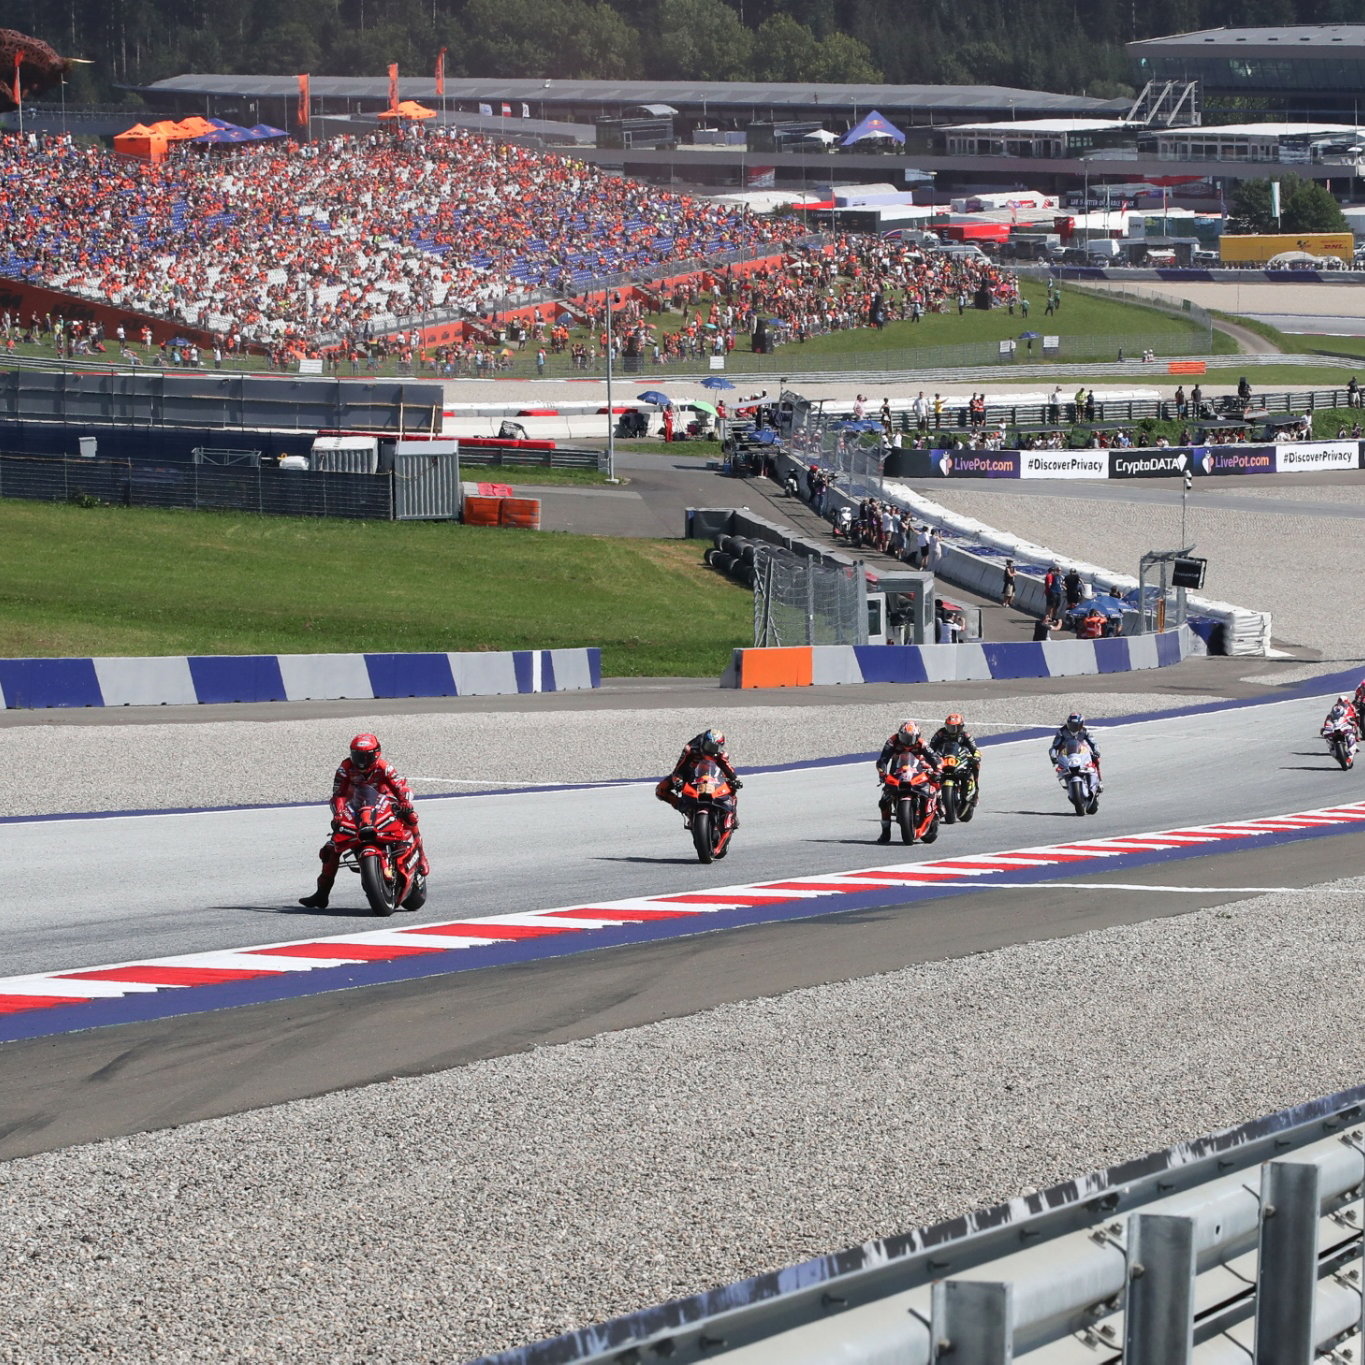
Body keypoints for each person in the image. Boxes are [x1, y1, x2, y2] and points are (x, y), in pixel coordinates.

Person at [299, 733, 424, 909]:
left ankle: (422, 857)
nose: (362, 761)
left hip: (386, 804)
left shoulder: (384, 767)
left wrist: (404, 803)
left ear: (376, 753)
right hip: (357, 808)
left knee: (410, 817)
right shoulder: (345, 768)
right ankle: (322, 894)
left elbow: (398, 788)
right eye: (358, 756)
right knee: (330, 848)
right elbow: (339, 795)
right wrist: (338, 815)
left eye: (366, 756)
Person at [875, 721, 940, 843]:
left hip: (917, 771)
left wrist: (938, 770)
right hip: (897, 772)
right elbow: (882, 760)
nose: (907, 741)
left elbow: (935, 758)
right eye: (905, 737)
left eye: (911, 738)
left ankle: (936, 806)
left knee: (932, 786)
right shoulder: (892, 741)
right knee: (884, 801)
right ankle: (885, 831)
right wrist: (882, 773)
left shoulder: (922, 744)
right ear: (900, 735)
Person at [656, 729, 742, 818]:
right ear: (703, 742)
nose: (712, 751)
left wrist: (735, 779)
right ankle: (685, 807)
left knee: (733, 785)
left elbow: (727, 767)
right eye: (709, 746)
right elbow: (680, 767)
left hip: (715, 775)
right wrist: (678, 779)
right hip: (691, 773)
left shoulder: (720, 754)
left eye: (715, 748)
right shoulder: (690, 749)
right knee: (661, 790)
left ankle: (731, 813)